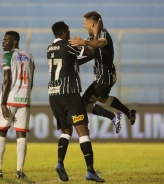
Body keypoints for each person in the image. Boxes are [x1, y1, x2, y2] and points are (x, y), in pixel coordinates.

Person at [48, 21, 105, 183]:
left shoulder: (50, 48)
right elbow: (92, 50)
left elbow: (71, 62)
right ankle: (90, 171)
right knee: (83, 132)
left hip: (54, 95)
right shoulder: (68, 46)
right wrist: (92, 35)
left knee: (66, 132)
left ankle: (60, 163)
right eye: (69, 31)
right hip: (69, 95)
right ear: (65, 32)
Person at [69, 11, 137, 126]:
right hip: (105, 77)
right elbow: (92, 54)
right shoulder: (92, 37)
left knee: (83, 105)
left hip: (104, 78)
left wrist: (84, 42)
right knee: (102, 98)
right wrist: (76, 63)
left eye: (85, 23)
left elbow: (100, 44)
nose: (83, 26)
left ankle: (113, 117)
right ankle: (128, 112)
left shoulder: (103, 33)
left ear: (92, 25)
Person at [0, 30, 35, 179]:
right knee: (21, 135)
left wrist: (4, 103)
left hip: (9, 98)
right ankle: (20, 171)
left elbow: (6, 80)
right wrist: (25, 95)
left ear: (14, 42)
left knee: (1, 131)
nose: (3, 42)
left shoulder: (7, 56)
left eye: (6, 40)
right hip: (24, 100)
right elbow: (31, 81)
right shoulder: (30, 57)